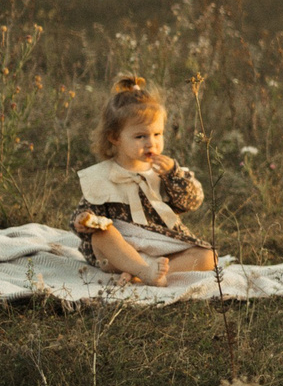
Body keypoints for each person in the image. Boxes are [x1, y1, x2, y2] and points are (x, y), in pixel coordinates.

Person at [70, 75, 218, 287]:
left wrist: (173, 175)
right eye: (140, 137)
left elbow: (192, 202)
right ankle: (142, 269)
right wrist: (82, 220)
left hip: (161, 243)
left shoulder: (165, 171)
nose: (152, 143)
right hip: (120, 249)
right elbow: (85, 214)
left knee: (208, 255)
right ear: (115, 138)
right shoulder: (103, 175)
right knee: (102, 235)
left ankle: (154, 271)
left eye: (157, 134)